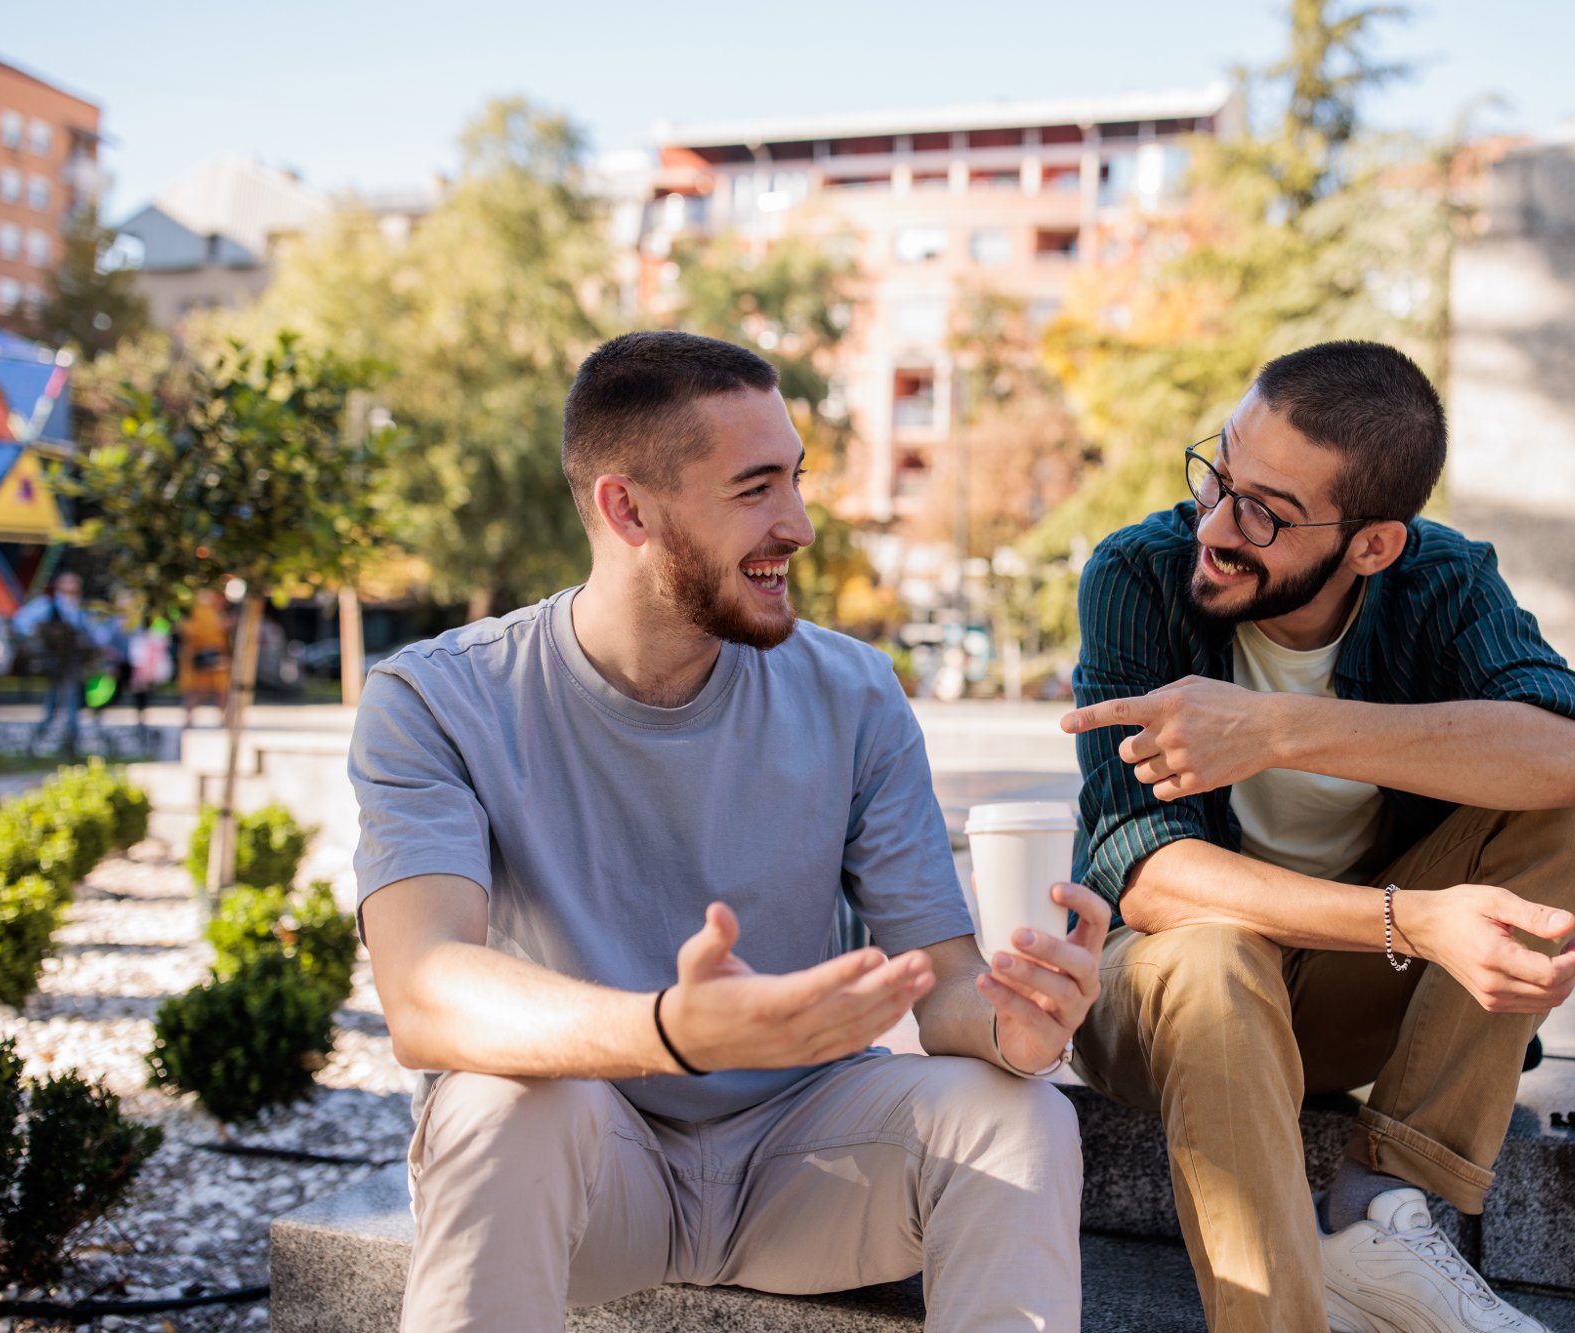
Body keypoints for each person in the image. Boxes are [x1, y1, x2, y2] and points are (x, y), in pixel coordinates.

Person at [349, 330, 1107, 1333]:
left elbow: (944, 978)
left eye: (794, 480)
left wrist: (1016, 1022)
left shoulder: (854, 691)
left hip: (810, 1161)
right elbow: (424, 992)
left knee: (1023, 1117)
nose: (795, 523)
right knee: (496, 1108)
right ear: (627, 507)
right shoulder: (437, 697)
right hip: (587, 1165)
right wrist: (668, 1031)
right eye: (754, 489)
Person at [1059, 341, 1575, 1333]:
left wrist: (1278, 726)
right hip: (1153, 1001)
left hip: (1344, 996)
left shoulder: (1439, 583)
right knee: (1209, 949)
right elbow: (1148, 878)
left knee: (1573, 813)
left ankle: (1385, 1205)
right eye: (1219, 474)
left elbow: (1572, 759)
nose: (1216, 525)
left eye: (1266, 513)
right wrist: (1411, 920)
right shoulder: (1137, 574)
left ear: (1372, 545)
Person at [11, 572, 95, 746]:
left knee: (67, 698)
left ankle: (67, 738)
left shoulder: (81, 609)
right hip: (55, 660)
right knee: (59, 699)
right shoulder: (48, 605)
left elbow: (92, 634)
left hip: (72, 661)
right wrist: (38, 642)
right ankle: (54, 737)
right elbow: (21, 622)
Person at [178, 590, 231, 727]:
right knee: (196, 690)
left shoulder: (219, 611)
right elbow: (188, 630)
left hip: (218, 655)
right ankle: (189, 718)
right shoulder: (200, 609)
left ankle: (223, 718)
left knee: (222, 689)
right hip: (200, 655)